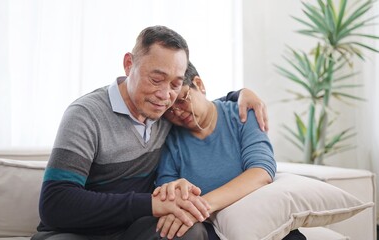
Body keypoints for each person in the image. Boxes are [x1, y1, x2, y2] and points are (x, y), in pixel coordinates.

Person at [32, 25, 269, 240]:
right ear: (128, 64)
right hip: (75, 233)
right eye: (156, 79)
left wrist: (241, 95)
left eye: (175, 84)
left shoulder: (166, 114)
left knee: (189, 231)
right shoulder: (86, 115)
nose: (166, 95)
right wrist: (151, 204)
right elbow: (55, 204)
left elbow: (202, 108)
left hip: (131, 230)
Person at [155, 62, 306, 240]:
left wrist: (204, 205)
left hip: (260, 218)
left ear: (200, 85)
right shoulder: (170, 139)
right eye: (169, 109)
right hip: (209, 227)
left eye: (181, 100)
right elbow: (167, 192)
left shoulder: (241, 115)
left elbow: (261, 172)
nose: (178, 112)